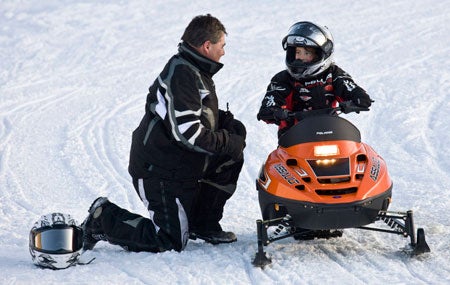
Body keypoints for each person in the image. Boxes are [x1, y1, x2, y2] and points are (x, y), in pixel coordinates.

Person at [82, 14, 246, 253]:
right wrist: (227, 141)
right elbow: (188, 133)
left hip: (180, 164)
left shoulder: (194, 68)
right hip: (159, 171)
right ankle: (103, 218)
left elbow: (186, 113)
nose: (224, 52)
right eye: (222, 46)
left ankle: (202, 223)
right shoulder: (183, 74)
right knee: (170, 241)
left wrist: (225, 123)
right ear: (207, 46)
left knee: (230, 154)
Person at [257, 21, 373, 137]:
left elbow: (349, 87)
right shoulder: (282, 79)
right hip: (293, 140)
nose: (300, 58)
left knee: (361, 153)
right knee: (276, 156)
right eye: (297, 52)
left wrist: (359, 98)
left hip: (332, 133)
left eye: (306, 53)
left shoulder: (334, 75)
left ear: (321, 54)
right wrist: (272, 111)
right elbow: (271, 99)